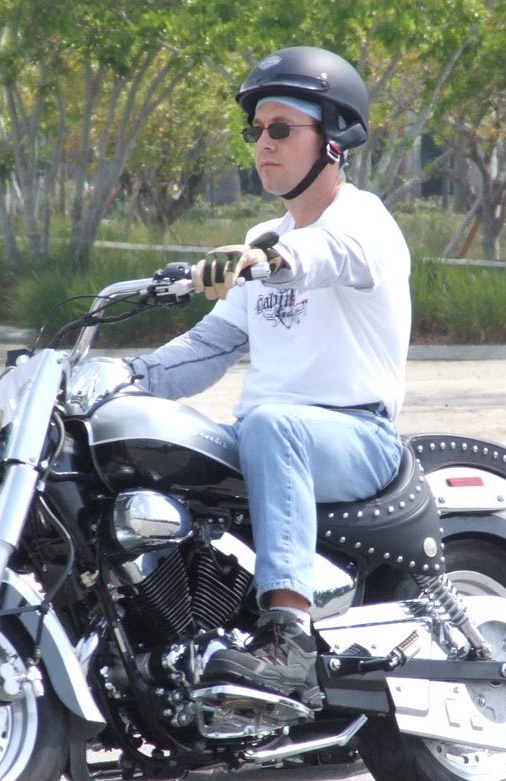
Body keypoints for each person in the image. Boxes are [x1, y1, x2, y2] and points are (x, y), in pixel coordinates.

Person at [126, 46, 412, 709]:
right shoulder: (263, 236)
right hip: (272, 435)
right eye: (255, 131)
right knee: (154, 442)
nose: (263, 144)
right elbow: (210, 347)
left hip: (358, 437)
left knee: (269, 423)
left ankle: (290, 639)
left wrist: (260, 258)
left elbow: (322, 254)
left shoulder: (362, 222)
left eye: (281, 128)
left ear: (334, 137)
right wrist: (118, 378)